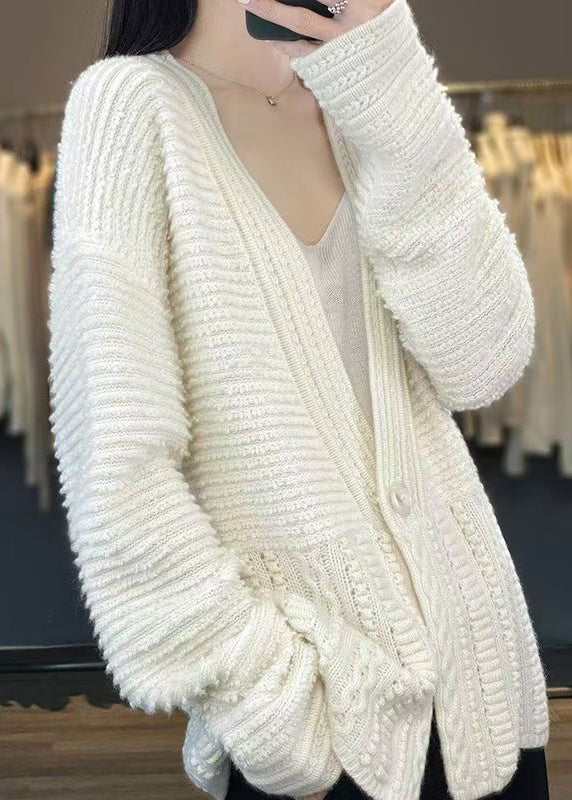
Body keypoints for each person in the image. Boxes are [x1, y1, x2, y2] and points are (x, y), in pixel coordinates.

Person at [47, 0, 551, 799]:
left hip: (488, 698)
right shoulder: (130, 107)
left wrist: (392, 87)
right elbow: (119, 468)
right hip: (326, 731)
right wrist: (270, 715)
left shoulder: (367, 94)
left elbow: (485, 361)